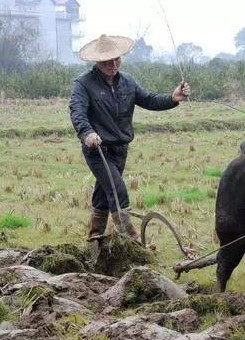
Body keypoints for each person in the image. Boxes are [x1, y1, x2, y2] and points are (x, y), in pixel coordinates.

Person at [69, 34, 190, 245]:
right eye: (107, 61)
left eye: (116, 59)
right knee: (117, 190)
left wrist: (172, 98)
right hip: (98, 149)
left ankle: (95, 238)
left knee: (103, 193)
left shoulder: (128, 82)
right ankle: (131, 241)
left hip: (120, 149)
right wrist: (87, 133)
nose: (113, 65)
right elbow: (77, 111)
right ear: (97, 61)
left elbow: (150, 99)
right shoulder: (83, 84)